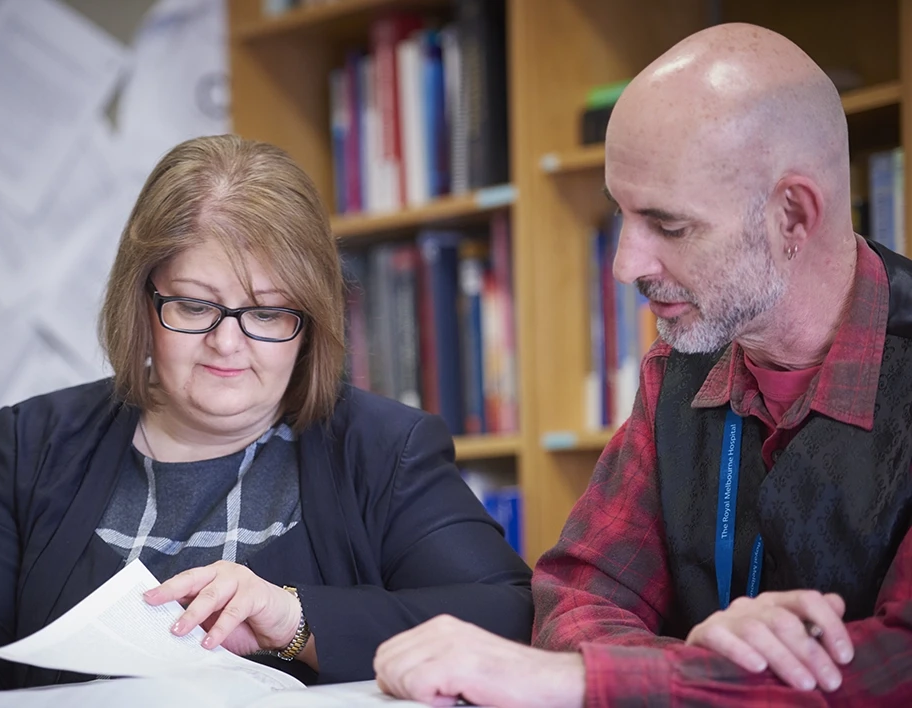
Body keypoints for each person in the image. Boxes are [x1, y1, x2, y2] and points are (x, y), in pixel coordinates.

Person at [0, 135, 534, 708]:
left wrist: (292, 621)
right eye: (196, 306)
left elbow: (507, 617)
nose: (228, 344)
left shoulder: (385, 449)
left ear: (312, 321)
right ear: (142, 303)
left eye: (267, 311)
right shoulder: (31, 445)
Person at [375, 22, 912, 707]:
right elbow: (576, 597)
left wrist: (589, 680)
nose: (626, 264)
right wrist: (699, 665)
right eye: (621, 215)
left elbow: (896, 668)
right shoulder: (678, 372)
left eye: (671, 225)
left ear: (794, 215)